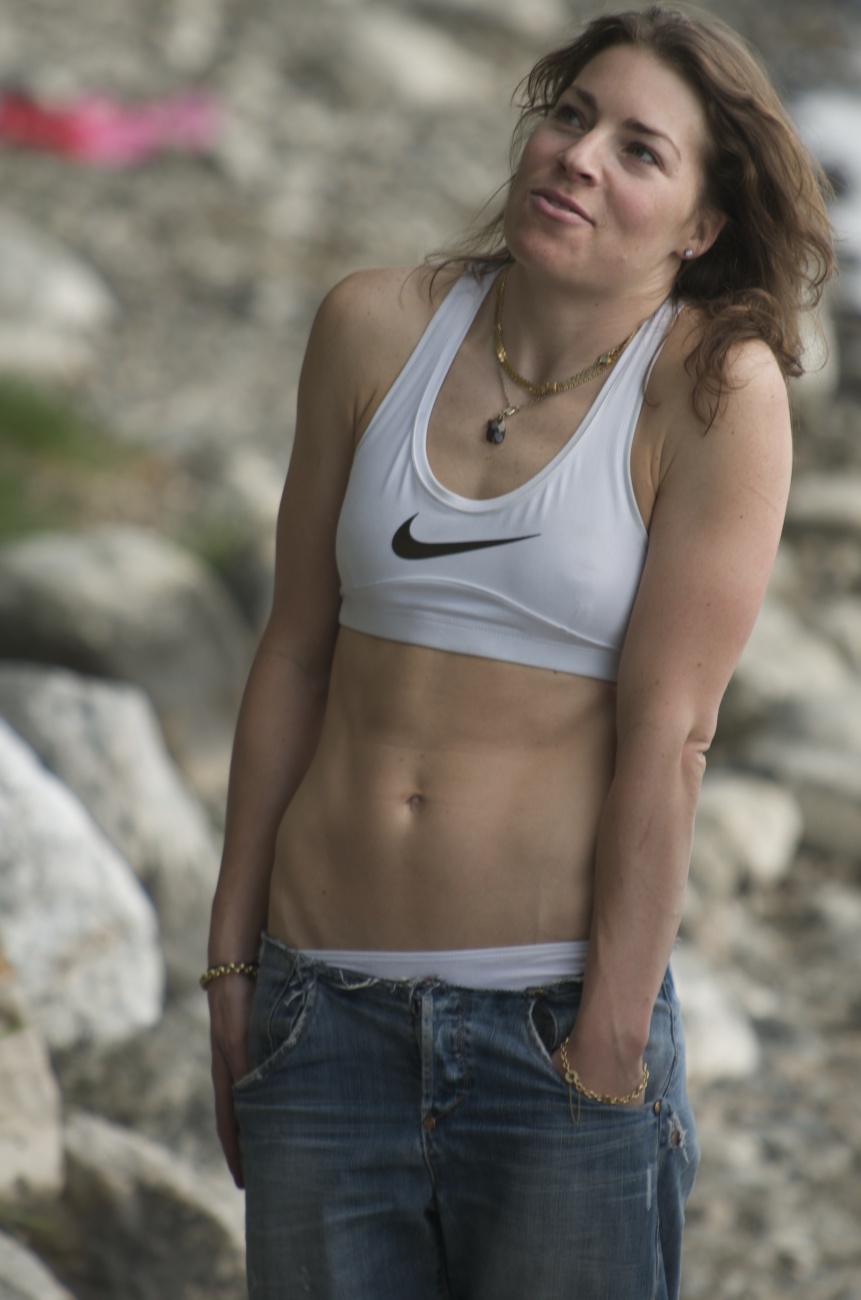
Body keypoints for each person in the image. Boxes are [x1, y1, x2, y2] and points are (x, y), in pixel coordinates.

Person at [203, 6, 834, 1298]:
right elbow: (294, 656)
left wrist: (608, 1044)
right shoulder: (374, 326)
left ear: (702, 224)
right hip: (321, 1010)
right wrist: (231, 965)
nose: (578, 157)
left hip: (543, 1032)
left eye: (639, 150)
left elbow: (671, 739)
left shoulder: (712, 390)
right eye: (570, 115)